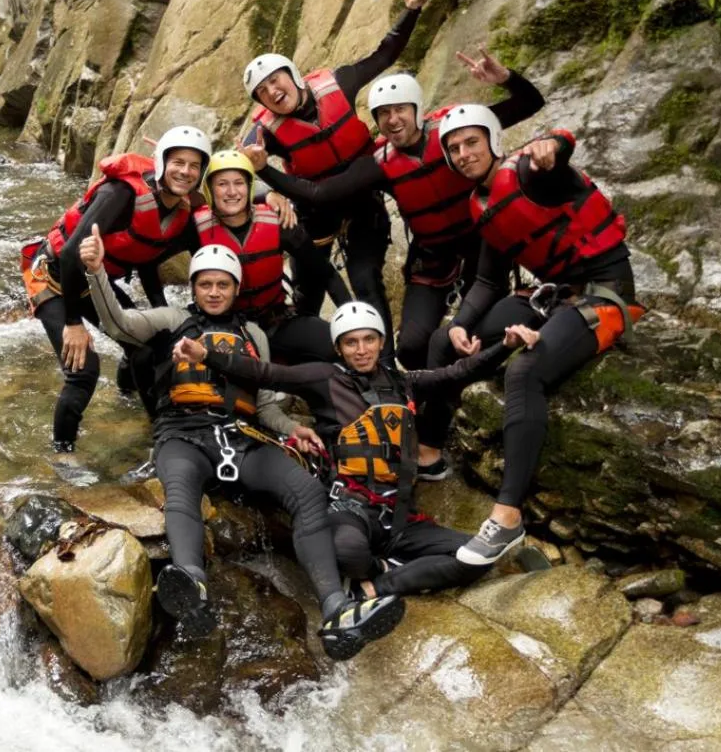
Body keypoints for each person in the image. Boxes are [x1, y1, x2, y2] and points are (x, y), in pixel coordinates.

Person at [79, 232, 404, 660]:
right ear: (194, 287)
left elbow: (265, 403)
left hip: (242, 438)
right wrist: (97, 271)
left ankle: (336, 608)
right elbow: (120, 323)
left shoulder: (253, 333)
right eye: (206, 284)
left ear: (236, 288)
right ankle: (190, 580)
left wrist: (292, 430)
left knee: (306, 492)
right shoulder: (171, 319)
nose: (214, 292)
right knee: (180, 485)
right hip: (183, 434)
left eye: (223, 284)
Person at [182, 300, 540, 598]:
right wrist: (206, 355)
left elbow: (459, 372)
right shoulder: (323, 377)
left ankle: (377, 584)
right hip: (350, 508)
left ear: (381, 342)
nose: (362, 349)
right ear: (338, 348)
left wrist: (504, 347)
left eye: (369, 340)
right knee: (347, 551)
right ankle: (383, 570)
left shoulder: (404, 383)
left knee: (476, 555)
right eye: (351, 342)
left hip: (400, 516)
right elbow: (263, 372)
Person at [244, 47, 545, 386]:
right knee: (411, 351)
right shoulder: (380, 164)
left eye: (400, 110)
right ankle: (389, 373)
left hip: (483, 251)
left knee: (469, 331)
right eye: (383, 114)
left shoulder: (455, 134)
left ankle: (475, 360)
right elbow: (319, 193)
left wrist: (505, 78)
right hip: (432, 259)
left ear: (417, 109)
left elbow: (529, 103)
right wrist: (267, 181)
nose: (393, 120)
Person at [429, 109, 645, 566]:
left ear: (492, 142)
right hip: (551, 293)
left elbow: (559, 149)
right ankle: (426, 452)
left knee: (525, 372)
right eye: (454, 148)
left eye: (472, 143)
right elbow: (488, 282)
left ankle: (507, 518)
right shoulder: (482, 203)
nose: (464, 154)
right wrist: (463, 323)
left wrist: (551, 143)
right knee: (443, 341)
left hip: (603, 294)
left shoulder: (532, 172)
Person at [238, 0, 429, 335]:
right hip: (314, 210)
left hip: (362, 197)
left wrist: (411, 11)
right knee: (307, 299)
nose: (273, 91)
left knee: (365, 279)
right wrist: (271, 190)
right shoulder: (264, 133)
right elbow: (235, 174)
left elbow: (383, 55)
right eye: (262, 91)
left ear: (292, 75)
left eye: (275, 80)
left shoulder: (338, 84)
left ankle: (383, 363)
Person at [21, 126, 211, 453]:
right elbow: (69, 255)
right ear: (162, 163)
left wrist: (159, 311)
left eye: (194, 166)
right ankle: (63, 456)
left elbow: (146, 254)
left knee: (147, 347)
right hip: (54, 276)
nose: (186, 171)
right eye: (178, 162)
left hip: (96, 279)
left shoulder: (182, 210)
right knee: (83, 371)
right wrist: (73, 325)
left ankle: (137, 408)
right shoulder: (121, 195)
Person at [193, 150, 336, 364]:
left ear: (249, 187)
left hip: (276, 321)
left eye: (239, 183)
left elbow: (325, 273)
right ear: (209, 190)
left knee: (336, 345)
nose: (232, 191)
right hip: (223, 325)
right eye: (222, 184)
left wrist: (353, 321)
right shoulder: (193, 228)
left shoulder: (279, 222)